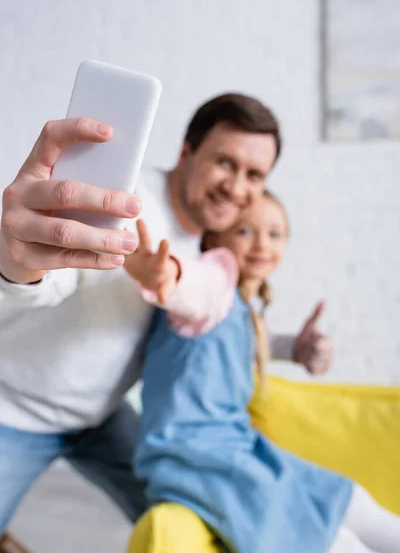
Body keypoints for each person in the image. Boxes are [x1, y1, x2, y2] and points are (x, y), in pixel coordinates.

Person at [0, 94, 331, 537]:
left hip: (104, 418)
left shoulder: (217, 247)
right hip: (15, 410)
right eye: (225, 163)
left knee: (199, 521)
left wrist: (291, 347)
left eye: (254, 175)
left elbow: (214, 331)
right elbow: (50, 278)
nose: (236, 187)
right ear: (186, 153)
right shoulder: (128, 202)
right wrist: (18, 265)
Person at [129, 194, 400, 553]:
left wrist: (294, 348)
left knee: (348, 498)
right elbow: (194, 289)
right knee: (329, 537)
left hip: (241, 449)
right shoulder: (212, 282)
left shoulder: (241, 310)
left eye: (275, 234)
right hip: (199, 460)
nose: (261, 245)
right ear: (216, 239)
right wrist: (170, 276)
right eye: (245, 231)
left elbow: (242, 342)